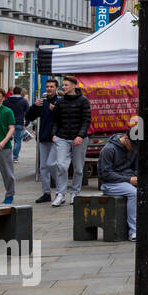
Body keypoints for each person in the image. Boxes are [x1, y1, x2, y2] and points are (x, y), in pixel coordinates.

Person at [51, 75, 91, 208]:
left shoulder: (83, 101)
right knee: (61, 165)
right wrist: (54, 134)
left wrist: (80, 135)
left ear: (74, 86)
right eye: (63, 85)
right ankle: (60, 194)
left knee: (79, 169)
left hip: (79, 139)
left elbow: (86, 120)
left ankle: (75, 193)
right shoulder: (60, 102)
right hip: (62, 137)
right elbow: (56, 120)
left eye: (66, 85)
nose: (63, 87)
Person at [98, 131, 139, 242]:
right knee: (134, 193)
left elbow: (135, 168)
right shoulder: (109, 150)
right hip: (110, 184)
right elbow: (105, 174)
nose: (134, 148)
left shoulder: (134, 149)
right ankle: (133, 231)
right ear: (126, 138)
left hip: (127, 181)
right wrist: (128, 179)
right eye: (133, 145)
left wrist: (135, 176)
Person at [25, 79, 59, 203]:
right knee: (43, 167)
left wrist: (55, 110)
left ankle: (61, 190)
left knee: (52, 164)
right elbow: (29, 117)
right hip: (43, 138)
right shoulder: (42, 103)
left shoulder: (59, 102)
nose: (49, 89)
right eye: (47, 86)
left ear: (56, 88)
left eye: (51, 86)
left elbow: (64, 118)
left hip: (56, 138)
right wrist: (34, 106)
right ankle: (46, 193)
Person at [3, 86, 29, 162]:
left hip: (8, 123)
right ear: (20, 92)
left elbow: (3, 111)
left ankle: (6, 155)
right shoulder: (24, 101)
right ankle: (15, 157)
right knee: (17, 141)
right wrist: (27, 123)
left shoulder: (7, 100)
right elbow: (27, 112)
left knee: (7, 140)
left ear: (13, 92)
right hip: (19, 123)